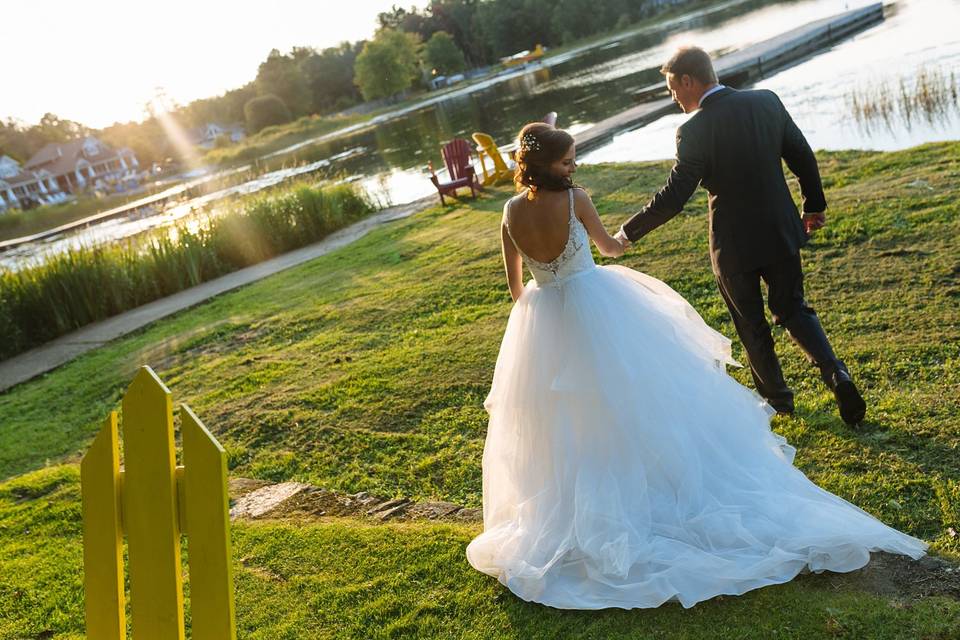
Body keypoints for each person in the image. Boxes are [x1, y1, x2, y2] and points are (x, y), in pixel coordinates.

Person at [464, 121, 926, 610]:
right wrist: (622, 241)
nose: (573, 166)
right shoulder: (577, 199)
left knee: (561, 420)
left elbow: (516, 289)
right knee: (635, 401)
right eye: (567, 160)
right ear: (545, 165)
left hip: (543, 319)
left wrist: (546, 298)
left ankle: (577, 511)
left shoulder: (511, 212)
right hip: (595, 306)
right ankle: (646, 489)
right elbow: (607, 247)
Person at [613, 46, 865, 425]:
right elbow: (801, 154)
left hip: (732, 246)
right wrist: (813, 205)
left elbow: (675, 196)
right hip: (780, 230)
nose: (673, 98)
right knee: (793, 308)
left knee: (751, 324)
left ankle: (779, 402)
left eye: (672, 89)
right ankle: (836, 373)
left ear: (688, 80)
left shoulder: (692, 130)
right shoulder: (766, 102)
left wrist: (628, 233)